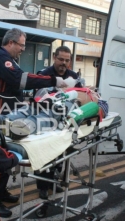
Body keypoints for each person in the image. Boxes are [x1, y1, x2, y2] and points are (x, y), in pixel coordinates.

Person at [0, 28, 68, 217]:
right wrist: (53, 80)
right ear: (11, 42)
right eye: (21, 45)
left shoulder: (9, 59)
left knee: (7, 151)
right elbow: (19, 79)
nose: (23, 49)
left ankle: (0, 191)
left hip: (9, 109)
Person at [37, 46, 83, 199]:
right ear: (54, 58)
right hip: (46, 119)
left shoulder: (73, 75)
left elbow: (81, 94)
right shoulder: (44, 75)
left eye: (67, 60)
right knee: (45, 155)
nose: (64, 63)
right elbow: (36, 98)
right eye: (61, 59)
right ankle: (43, 187)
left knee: (60, 153)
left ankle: (54, 182)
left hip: (65, 121)